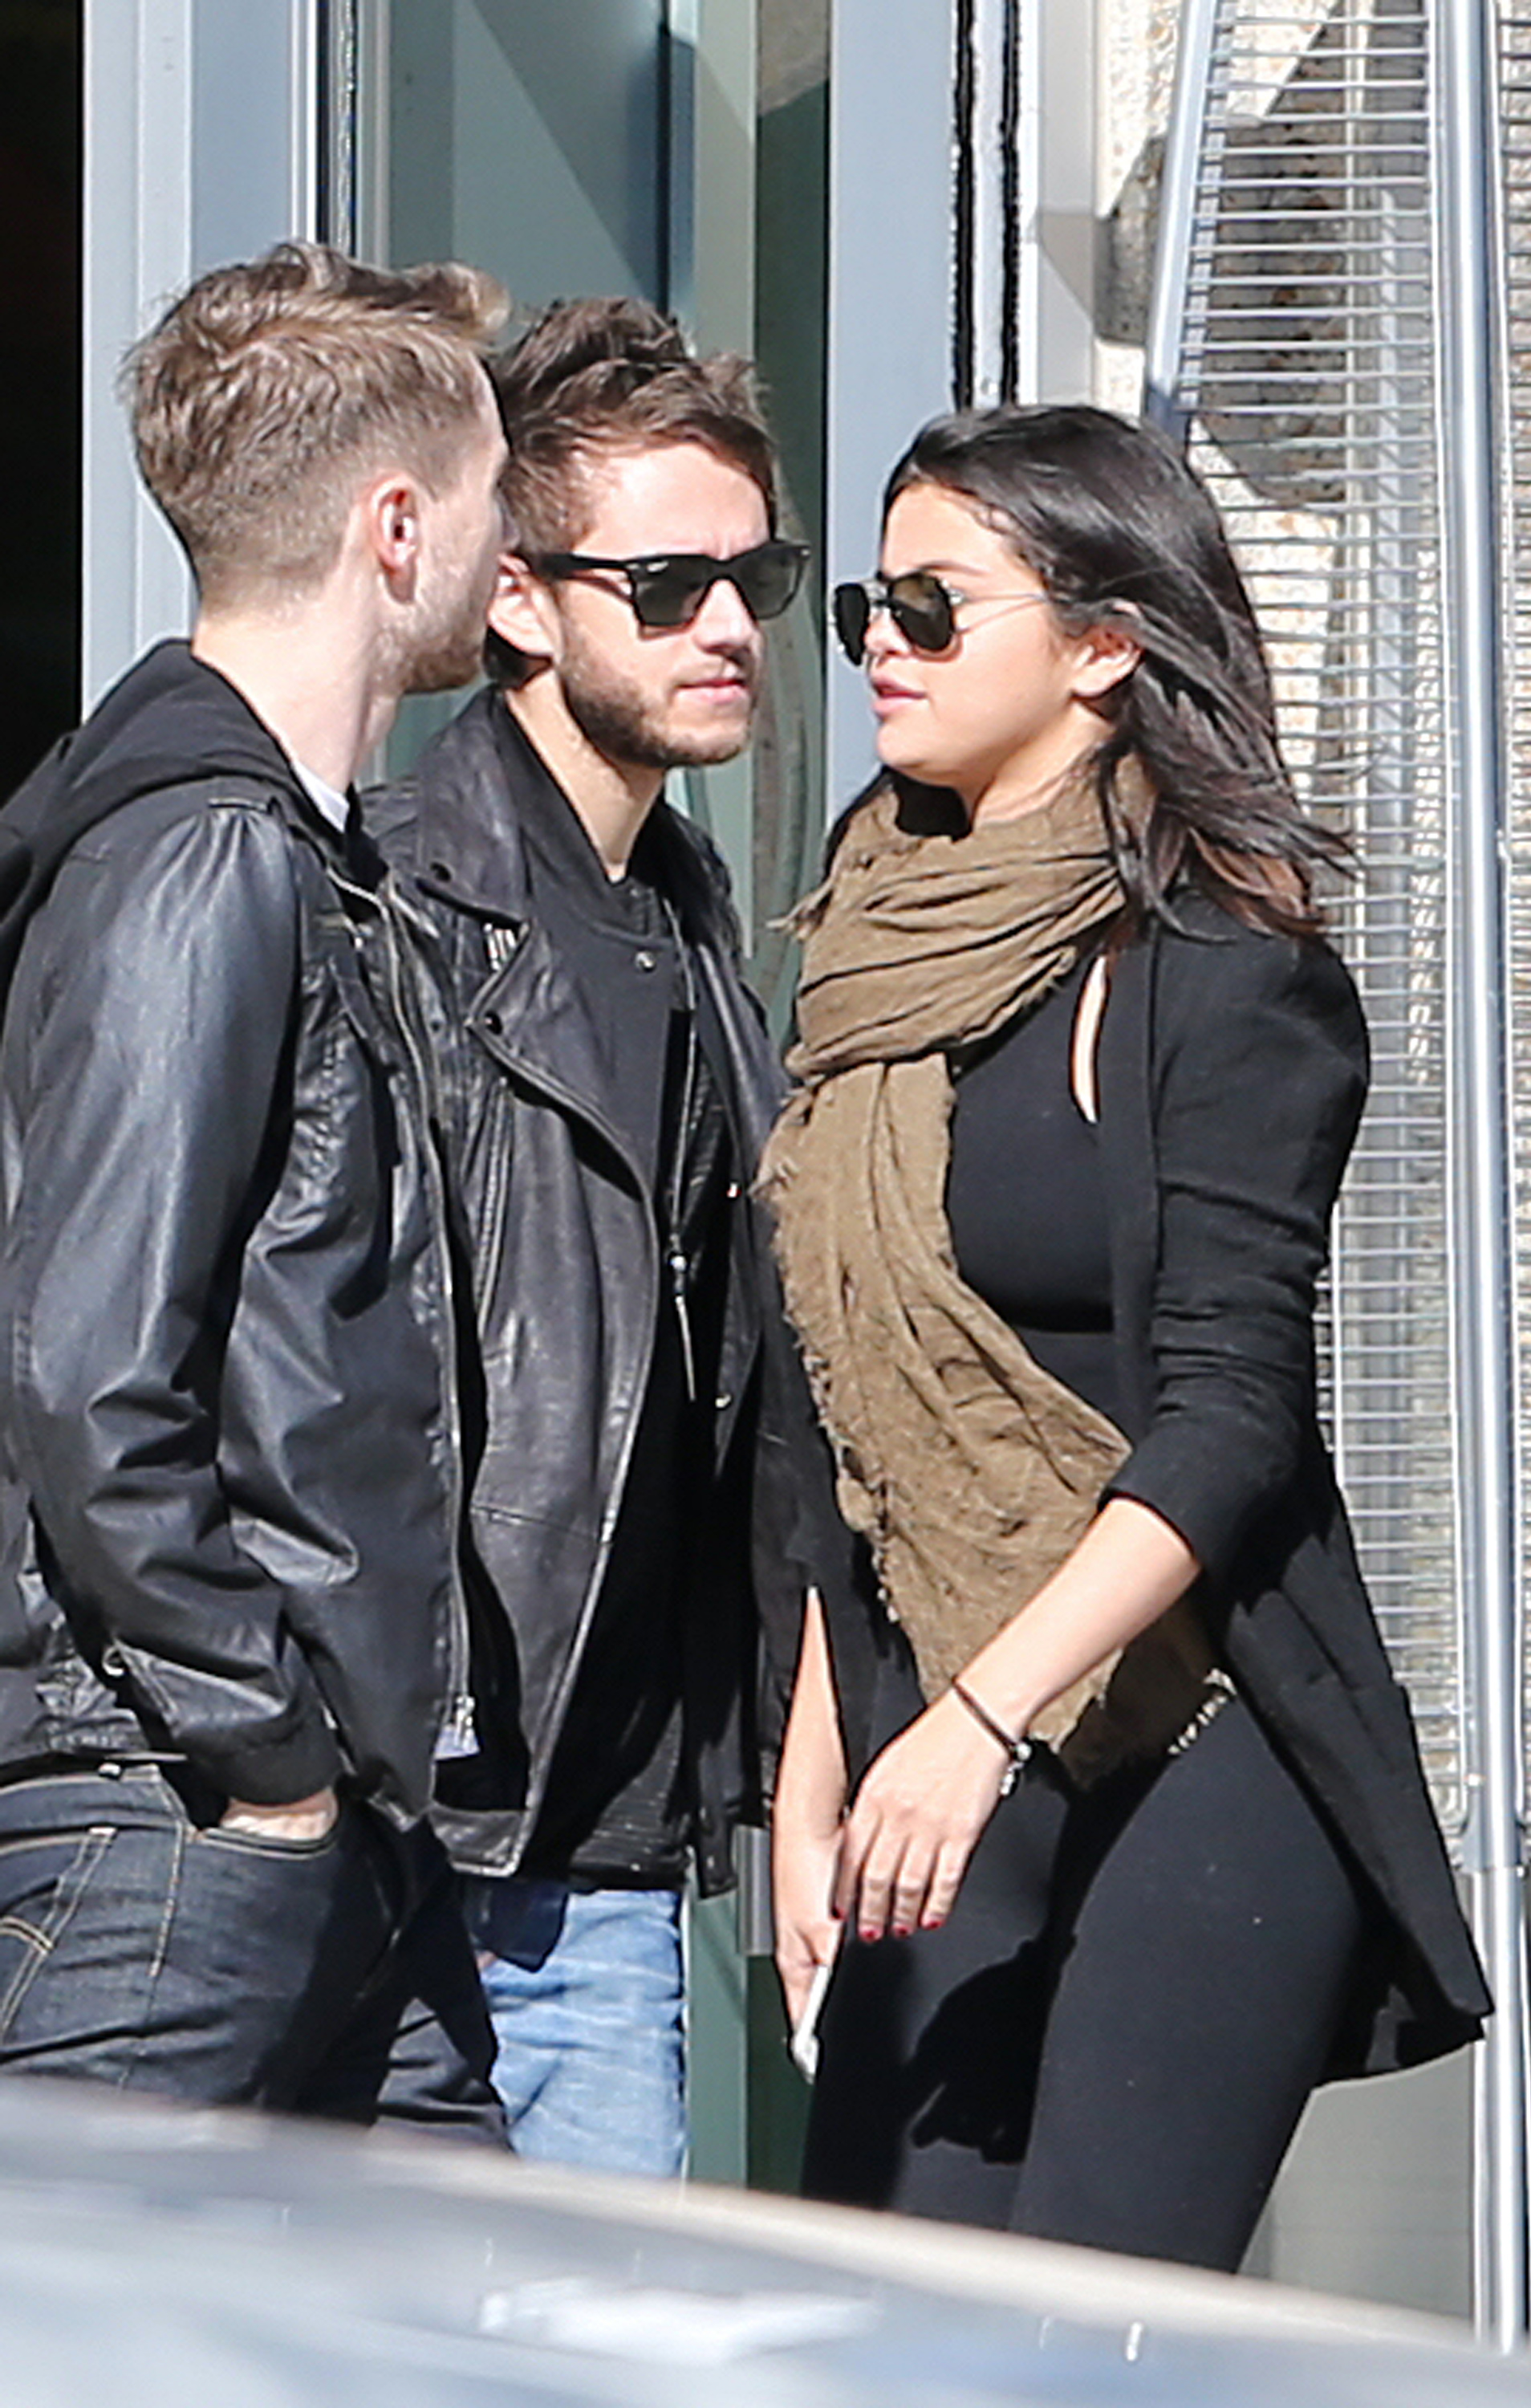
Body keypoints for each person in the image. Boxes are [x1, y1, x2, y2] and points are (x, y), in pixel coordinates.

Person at [765, 403, 1491, 2270]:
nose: (881, 647)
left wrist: (977, 1722)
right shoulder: (866, 951)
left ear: (1103, 645)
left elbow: (1234, 1423)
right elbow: (857, 1417)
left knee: (1091, 2338)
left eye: (935, 608)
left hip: (1195, 1728)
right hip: (934, 1729)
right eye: (867, 607)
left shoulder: (1223, 973)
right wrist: (813, 1777)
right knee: (886, 2320)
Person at [0, 242, 514, 2133]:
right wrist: (261, 1748)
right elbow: (88, 1369)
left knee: (463, 2292)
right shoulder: (202, 857)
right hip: (175, 1822)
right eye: (494, 494)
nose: (513, 546)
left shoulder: (298, 855)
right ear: (398, 527)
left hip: (329, 1827)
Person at [364, 298, 826, 2175]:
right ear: (521, 602)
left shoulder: (697, 926)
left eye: (753, 578)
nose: (728, 627)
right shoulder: (399, 908)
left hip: (614, 1853)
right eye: (665, 585)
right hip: (423, 1830)